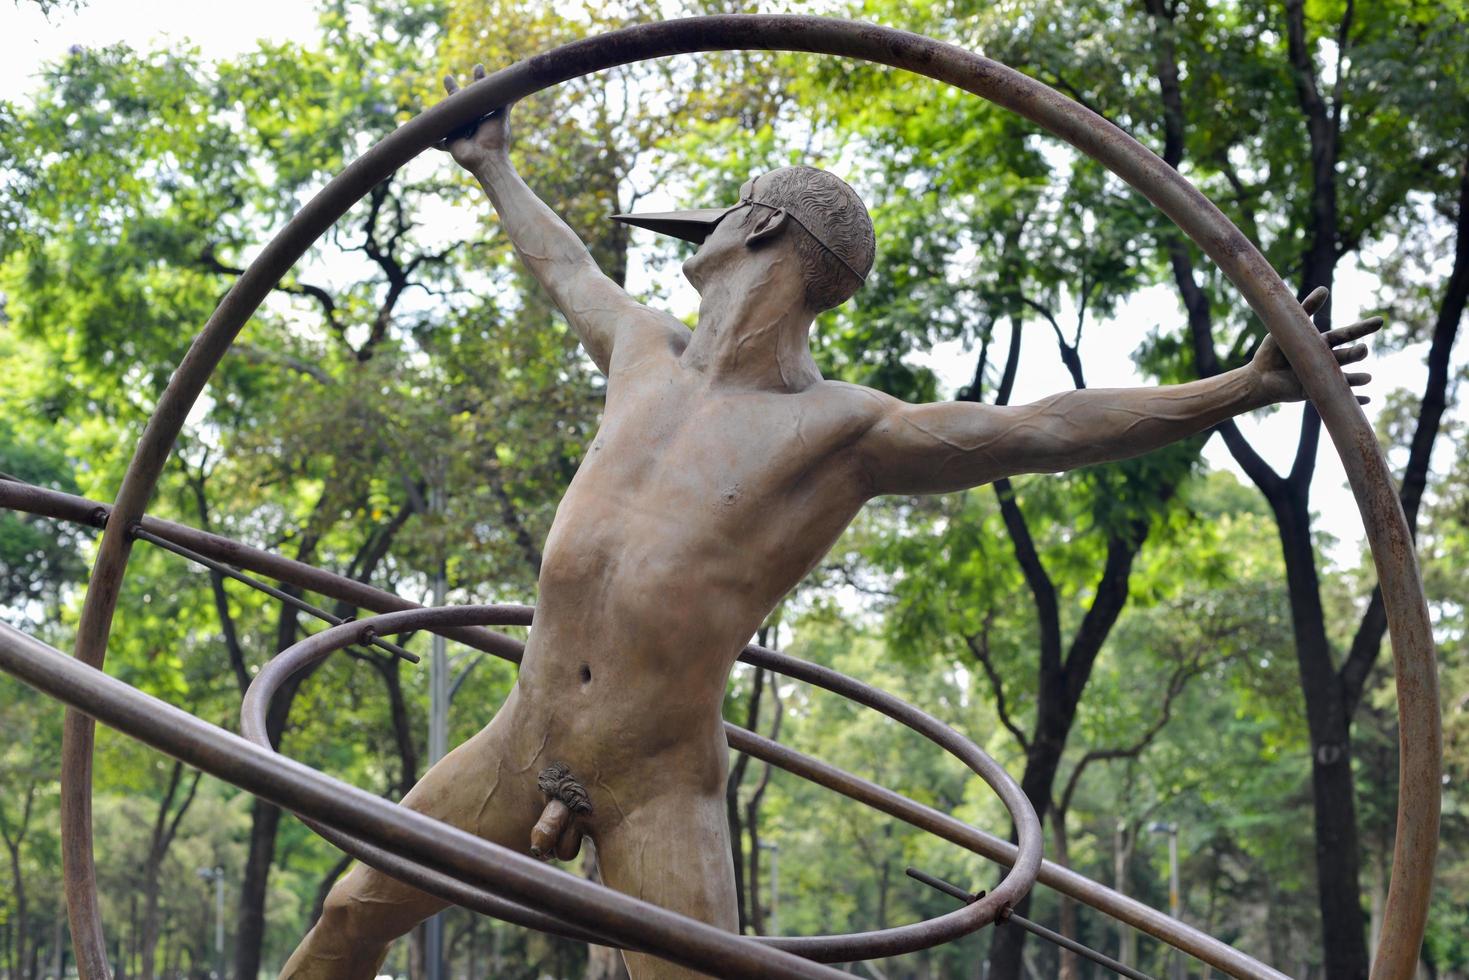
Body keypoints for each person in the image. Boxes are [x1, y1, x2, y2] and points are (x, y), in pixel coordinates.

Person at [280, 65, 1380, 979]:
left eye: (707, 225)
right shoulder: (639, 350)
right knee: (346, 915)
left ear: (753, 225)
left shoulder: (839, 431)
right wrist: (492, 163)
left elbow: (1043, 426)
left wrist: (1231, 389)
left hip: (652, 776)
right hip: (520, 737)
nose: (688, 244)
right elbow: (560, 260)